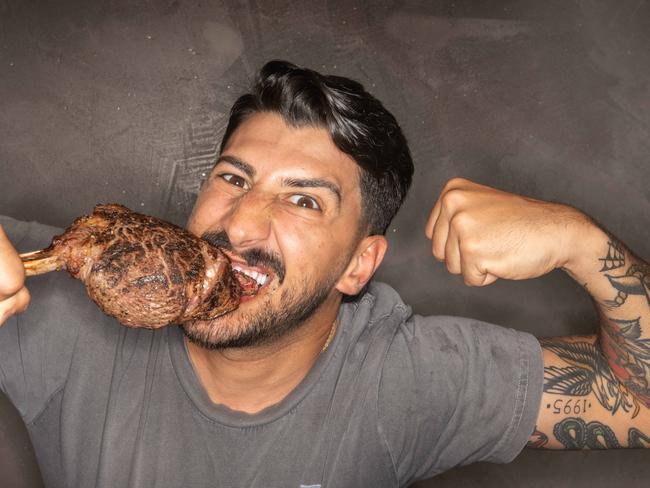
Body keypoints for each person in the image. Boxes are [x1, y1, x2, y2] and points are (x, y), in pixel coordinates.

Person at [0, 60, 648, 488]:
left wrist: (581, 242)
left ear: (357, 264)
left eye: (304, 199)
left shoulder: (404, 379)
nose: (243, 223)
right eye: (233, 178)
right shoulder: (52, 298)